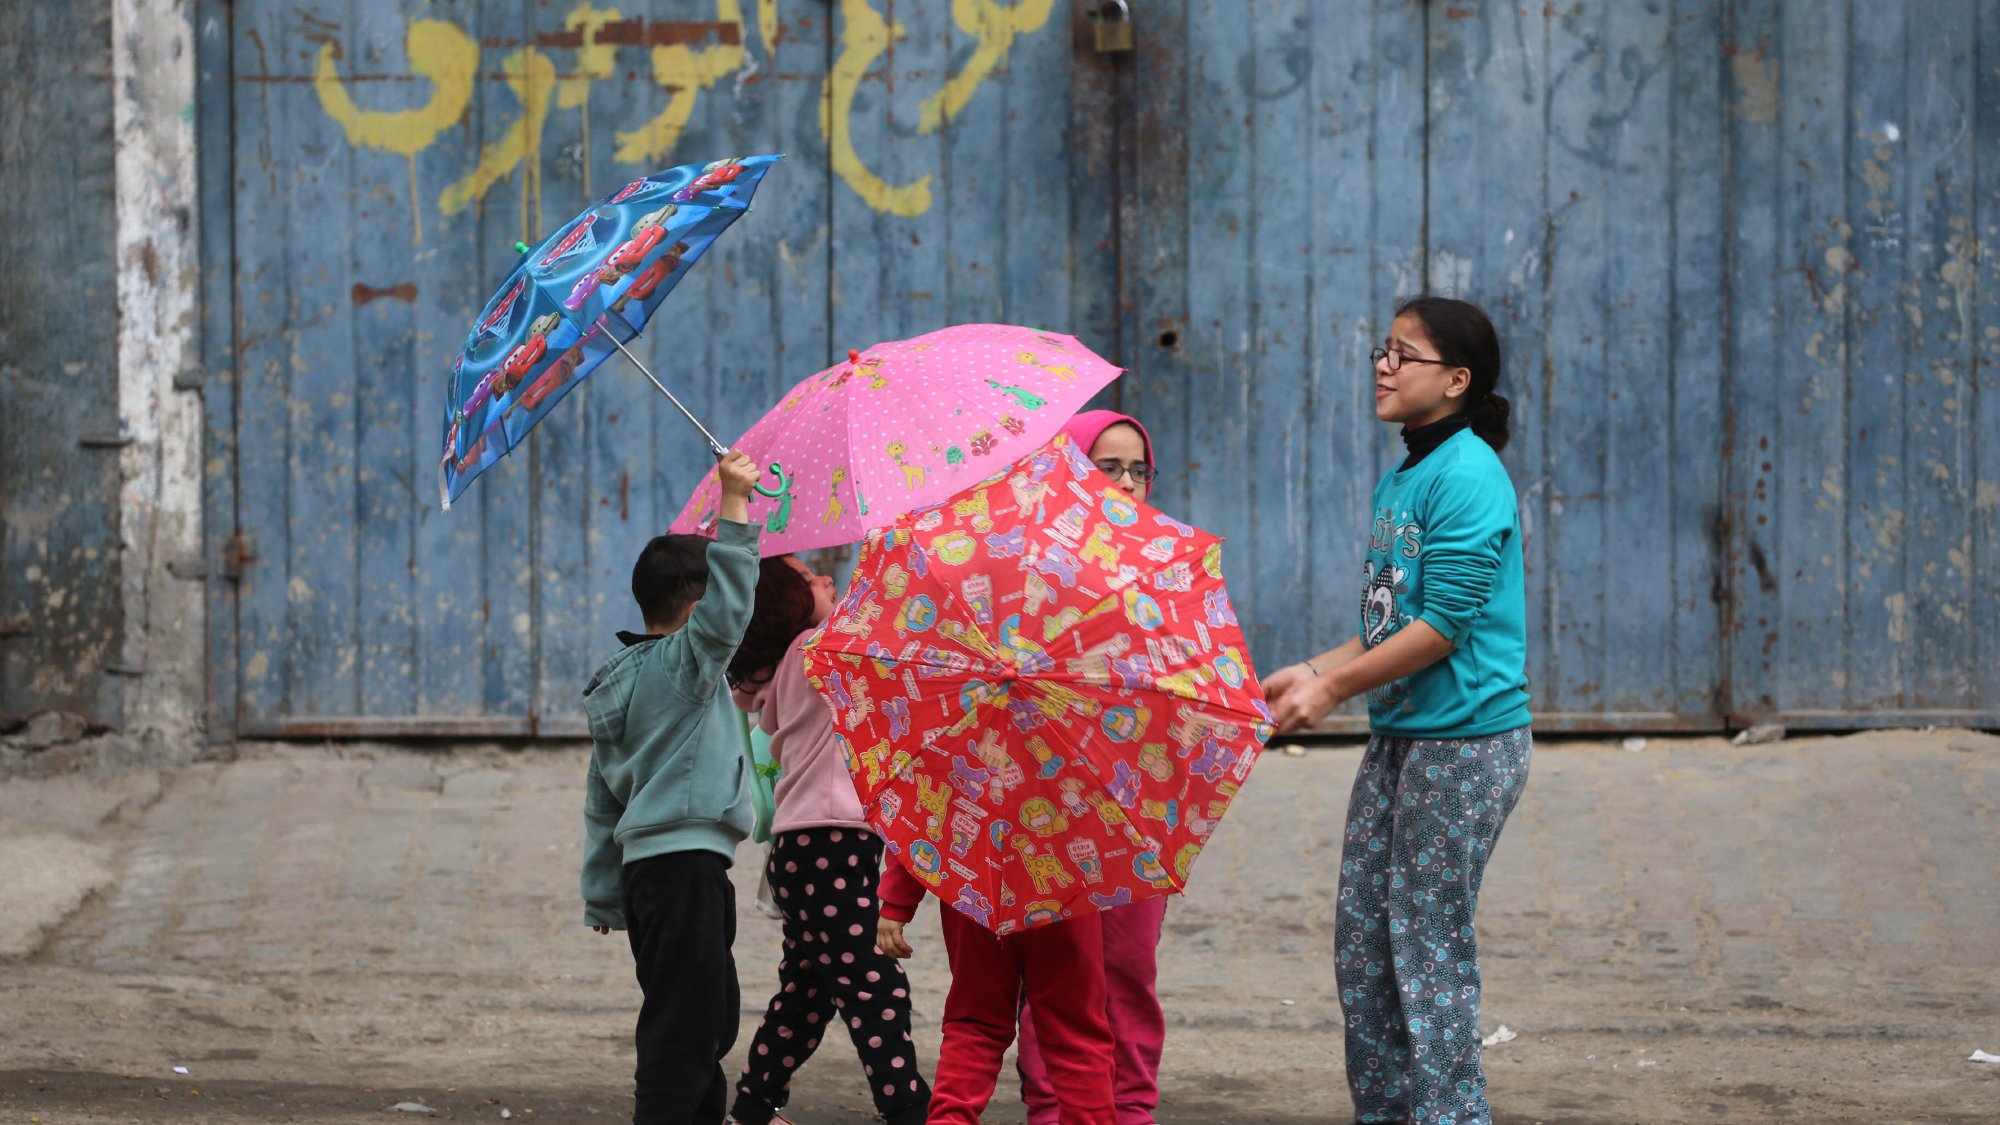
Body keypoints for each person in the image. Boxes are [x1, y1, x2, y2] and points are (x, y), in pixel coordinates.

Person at [1262, 296, 1533, 1125]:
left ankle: (1453, 1116)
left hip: (1467, 743)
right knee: (1364, 943)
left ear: (1455, 380)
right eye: (1381, 350)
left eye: (1402, 355)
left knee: (1425, 946)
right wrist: (1308, 668)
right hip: (1405, 737)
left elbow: (1443, 628)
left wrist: (1335, 689)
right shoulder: (1407, 473)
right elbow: (1389, 624)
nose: (1383, 366)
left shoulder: (1469, 474)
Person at [579, 450, 765, 1125]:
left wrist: (603, 891)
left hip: (654, 873)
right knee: (686, 1031)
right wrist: (734, 503)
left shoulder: (621, 678)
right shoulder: (687, 666)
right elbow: (729, 611)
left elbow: (603, 799)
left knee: (704, 1021)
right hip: (682, 869)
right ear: (694, 605)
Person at [724, 555, 932, 1125]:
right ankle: (910, 1110)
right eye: (806, 576)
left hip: (810, 851)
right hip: (829, 845)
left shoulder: (784, 666)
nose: (823, 578)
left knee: (807, 995)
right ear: (783, 601)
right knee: (874, 986)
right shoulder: (817, 648)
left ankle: (751, 1109)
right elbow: (882, 610)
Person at [1014, 410, 1169, 1125]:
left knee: (1130, 970)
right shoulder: (1028, 568)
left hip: (1137, 807)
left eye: (1139, 469)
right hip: (1049, 811)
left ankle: (1130, 1107)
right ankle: (1051, 1108)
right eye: (1110, 466)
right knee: (1056, 978)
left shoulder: (1167, 565)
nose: (1128, 482)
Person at [877, 855, 1115, 1125]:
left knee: (975, 1024)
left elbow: (918, 819)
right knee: (1076, 1031)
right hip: (1065, 896)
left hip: (975, 893)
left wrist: (897, 903)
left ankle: (950, 1120)